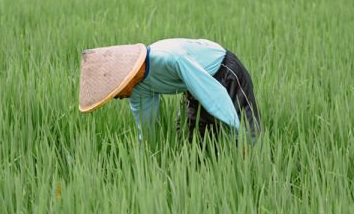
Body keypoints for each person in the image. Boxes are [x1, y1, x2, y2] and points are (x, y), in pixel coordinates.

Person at [79, 38, 261, 143]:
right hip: (193, 84)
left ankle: (254, 172)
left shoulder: (170, 58)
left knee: (247, 135)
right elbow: (148, 130)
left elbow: (214, 95)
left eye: (113, 90)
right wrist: (148, 164)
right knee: (191, 141)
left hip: (223, 72)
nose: (115, 97)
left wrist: (238, 132)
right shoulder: (138, 88)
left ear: (124, 77)